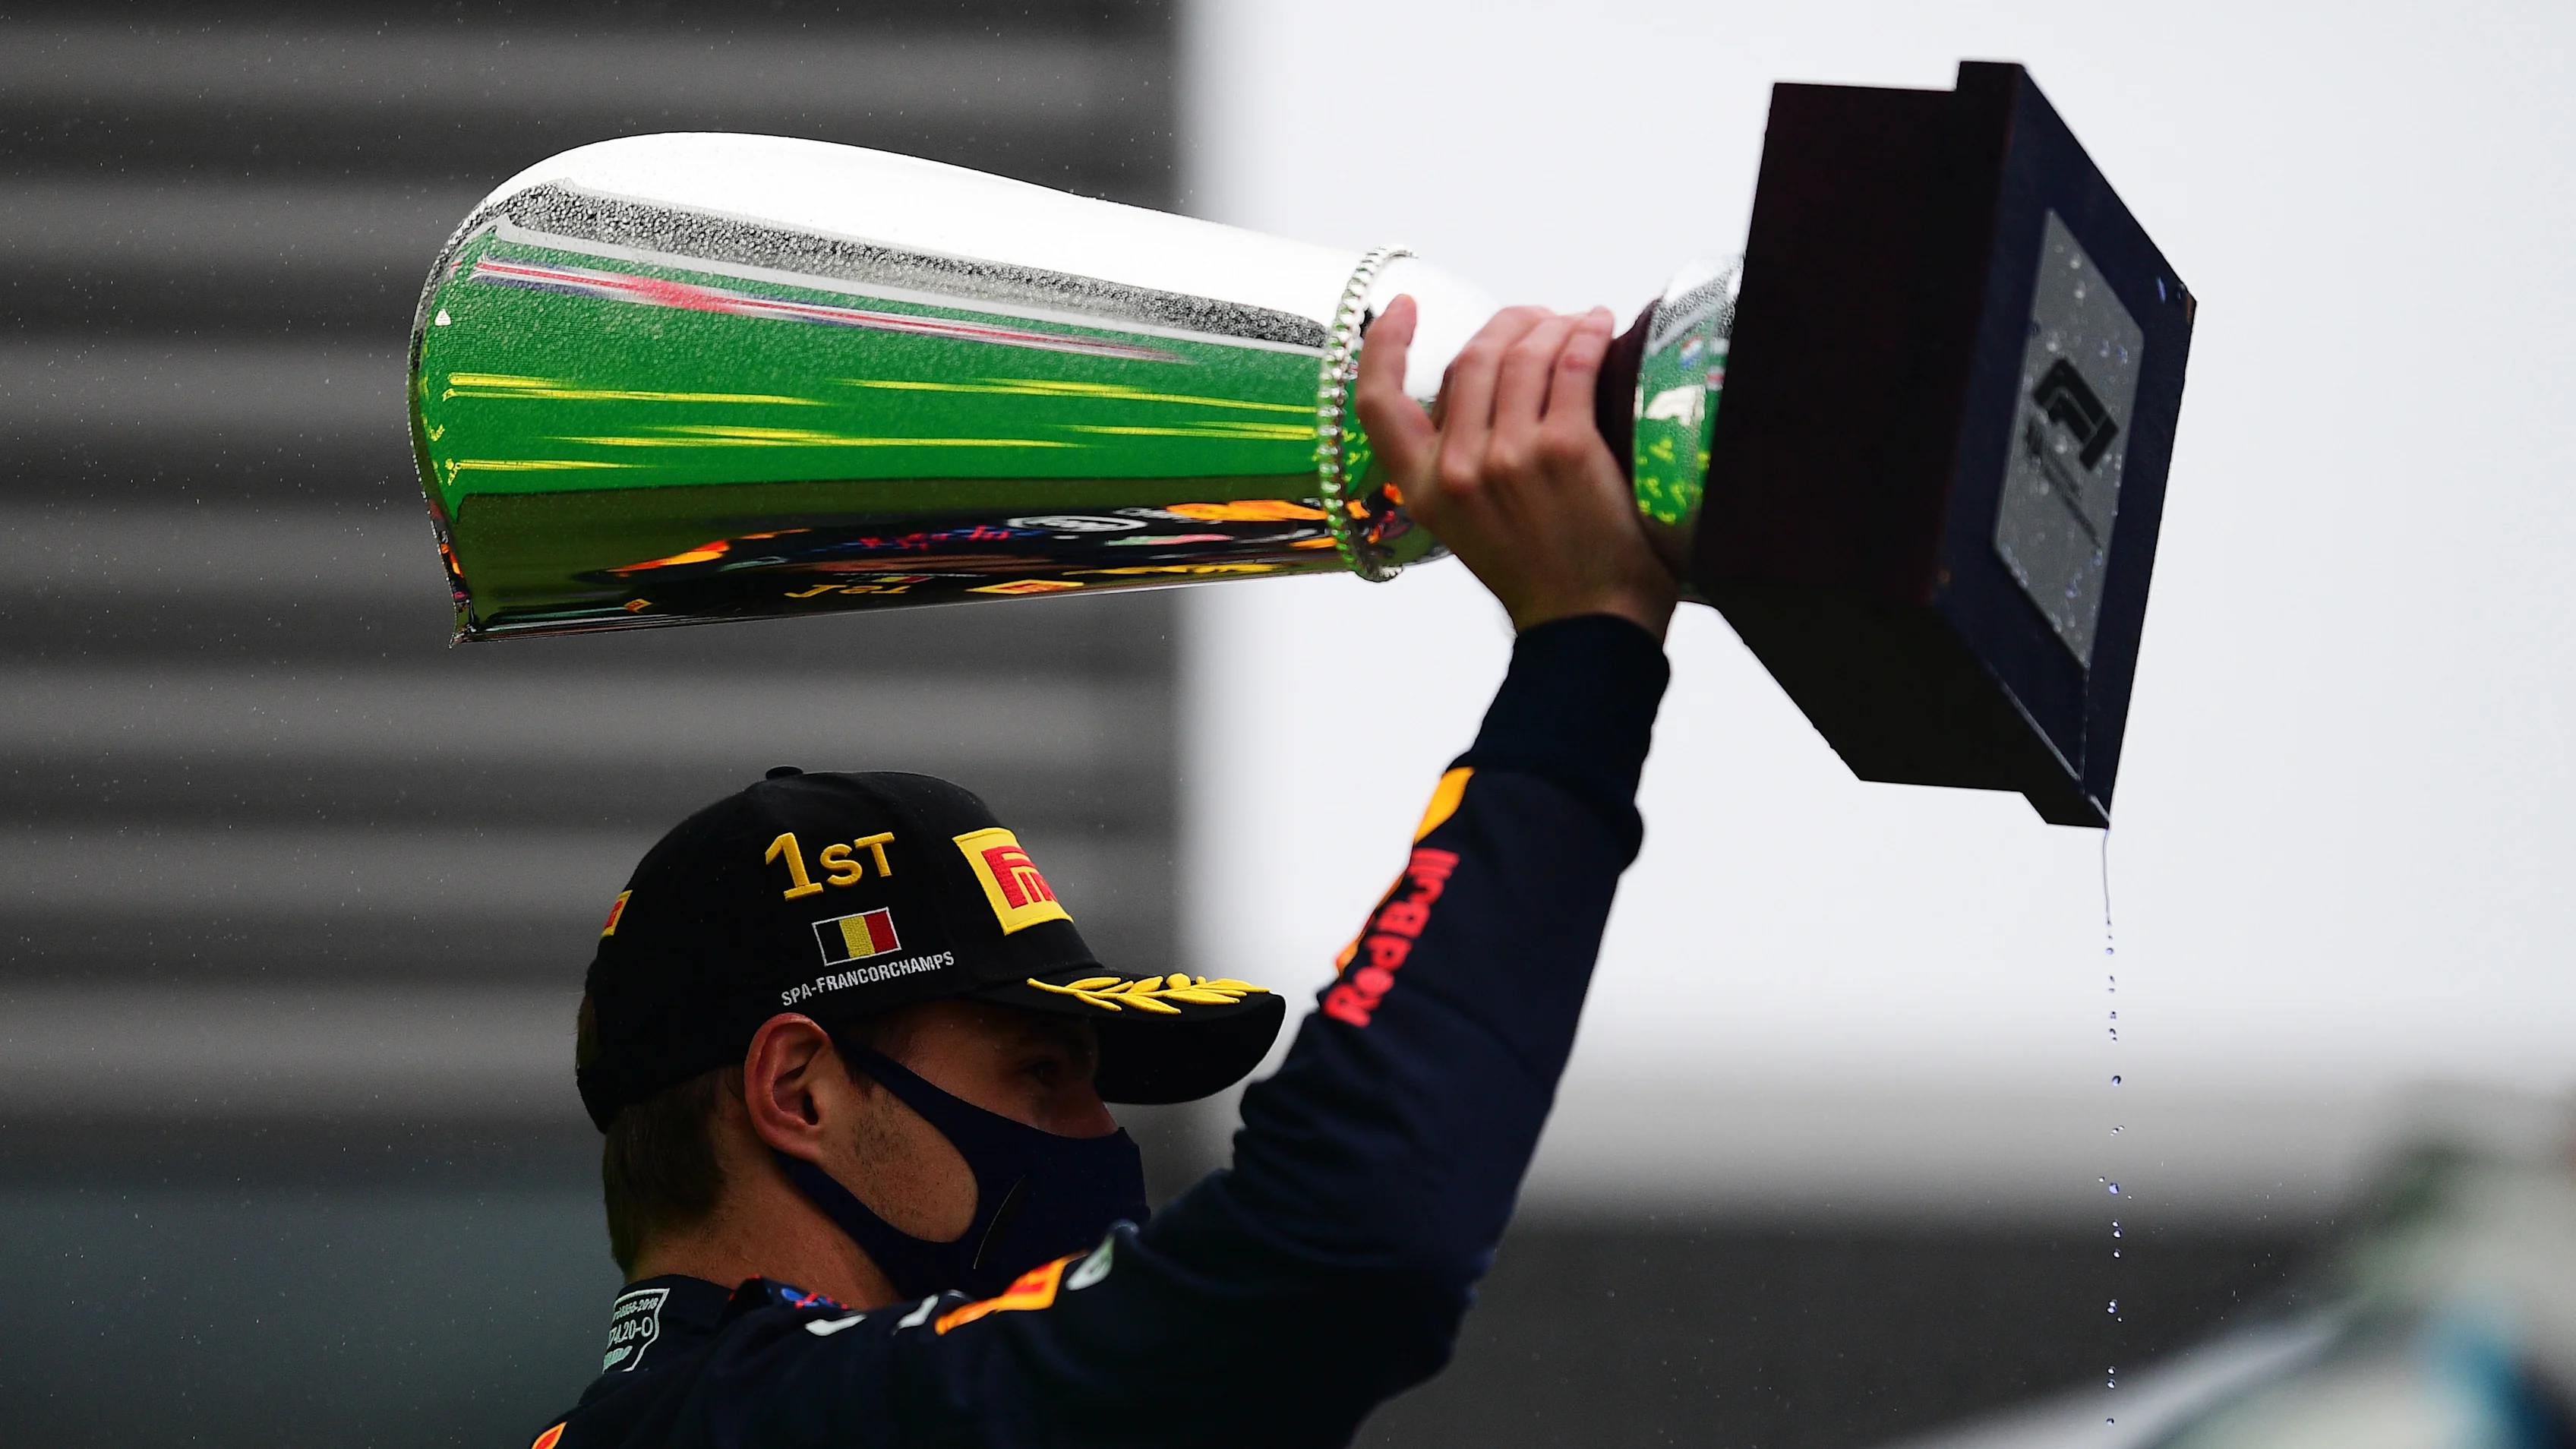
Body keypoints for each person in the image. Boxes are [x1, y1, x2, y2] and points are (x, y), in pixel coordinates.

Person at [536, 297, 1681, 1449]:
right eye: (1040, 1072)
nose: (1105, 1145)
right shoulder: (752, 1425)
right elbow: (1342, 1253)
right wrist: (1583, 654)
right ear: (799, 1093)